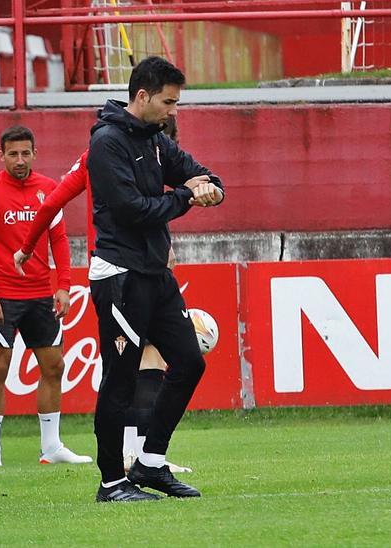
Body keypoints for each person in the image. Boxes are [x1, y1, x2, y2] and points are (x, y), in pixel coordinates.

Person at [15, 116, 192, 474]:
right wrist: (27, 247)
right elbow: (52, 203)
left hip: (147, 262)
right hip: (119, 267)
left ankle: (143, 454)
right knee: (132, 362)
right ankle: (132, 454)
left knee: (150, 359)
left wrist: (27, 246)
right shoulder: (102, 155)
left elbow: (52, 203)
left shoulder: (127, 152)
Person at [86, 56, 224, 502]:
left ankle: (149, 463)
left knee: (189, 362)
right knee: (120, 380)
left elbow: (201, 173)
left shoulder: (157, 140)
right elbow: (131, 211)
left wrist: (212, 188)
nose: (174, 111)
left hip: (154, 273)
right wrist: (187, 196)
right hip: (119, 275)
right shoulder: (107, 143)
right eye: (168, 102)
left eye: (176, 102)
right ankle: (112, 483)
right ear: (142, 96)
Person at [0, 125, 91, 467]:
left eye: (25, 153)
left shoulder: (49, 190)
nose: (19, 160)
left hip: (40, 295)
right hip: (2, 296)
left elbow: (60, 240)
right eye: (13, 154)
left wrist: (64, 285)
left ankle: (51, 447)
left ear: (34, 153)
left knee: (54, 366)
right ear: (1, 156)